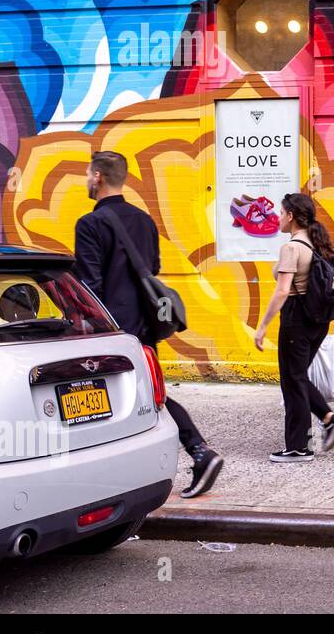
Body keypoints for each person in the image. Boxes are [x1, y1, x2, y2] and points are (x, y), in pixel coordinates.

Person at [73, 150, 223, 498]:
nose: (86, 180)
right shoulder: (143, 220)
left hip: (110, 330)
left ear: (97, 177)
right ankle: (171, 461)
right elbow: (151, 269)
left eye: (87, 174)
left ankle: (200, 451)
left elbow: (89, 284)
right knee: (144, 396)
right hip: (143, 325)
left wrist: (83, 331)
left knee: (106, 403)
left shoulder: (89, 224)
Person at [254, 193, 334, 462]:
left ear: (291, 216)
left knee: (292, 381)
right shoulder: (317, 244)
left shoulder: (292, 248)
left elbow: (282, 291)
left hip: (295, 317)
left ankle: (298, 447)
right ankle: (329, 418)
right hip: (316, 321)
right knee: (297, 377)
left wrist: (262, 327)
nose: (278, 218)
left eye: (282, 213)